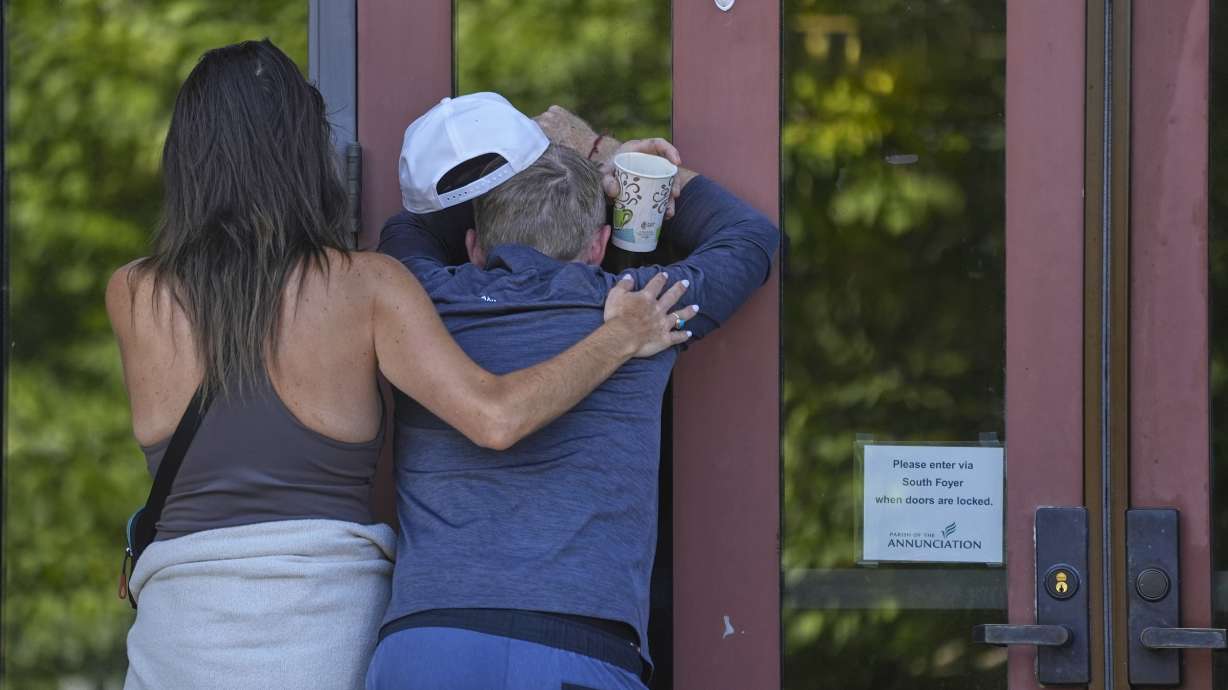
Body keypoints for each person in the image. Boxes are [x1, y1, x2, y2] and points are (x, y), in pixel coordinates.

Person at [108, 42, 690, 690]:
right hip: (323, 653)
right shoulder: (367, 289)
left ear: (186, 158)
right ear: (305, 155)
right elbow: (496, 418)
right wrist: (622, 332)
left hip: (175, 654)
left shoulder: (134, 294)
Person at [366, 95, 779, 690]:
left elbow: (415, 219)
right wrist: (604, 155)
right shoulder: (643, 310)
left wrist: (521, 158)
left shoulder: (419, 298)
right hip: (578, 647)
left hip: (429, 642)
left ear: (474, 246)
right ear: (598, 244)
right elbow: (749, 236)